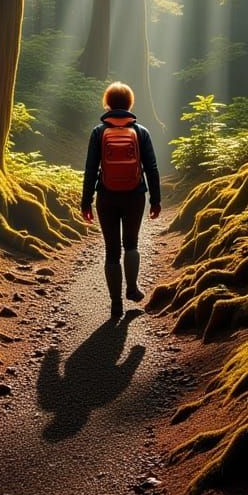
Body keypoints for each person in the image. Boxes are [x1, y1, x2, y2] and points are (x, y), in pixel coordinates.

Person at [81, 82, 161, 319]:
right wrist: (155, 200)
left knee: (111, 251)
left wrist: (86, 201)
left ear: (107, 103)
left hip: (106, 196)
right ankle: (132, 289)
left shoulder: (98, 132)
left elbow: (90, 169)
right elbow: (152, 169)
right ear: (129, 103)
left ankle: (116, 304)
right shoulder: (140, 132)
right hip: (135, 196)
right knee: (131, 244)